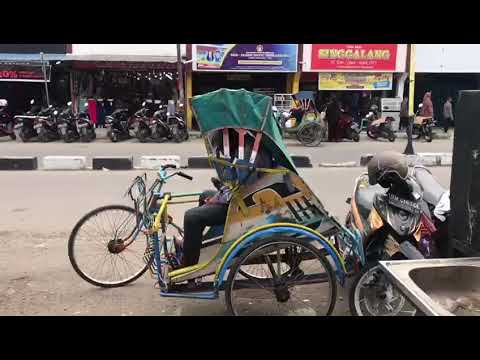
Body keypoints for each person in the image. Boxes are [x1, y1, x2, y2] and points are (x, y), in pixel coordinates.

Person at [180, 130, 273, 269]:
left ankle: (188, 266)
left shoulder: (246, 153)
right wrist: (218, 196)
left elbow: (242, 189)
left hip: (245, 206)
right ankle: (198, 245)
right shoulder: (246, 146)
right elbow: (236, 183)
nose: (222, 149)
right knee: (205, 194)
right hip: (244, 198)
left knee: (191, 217)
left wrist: (218, 199)